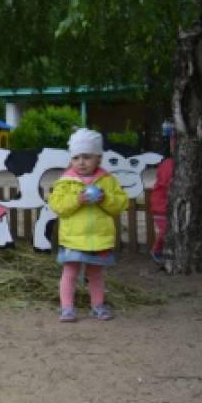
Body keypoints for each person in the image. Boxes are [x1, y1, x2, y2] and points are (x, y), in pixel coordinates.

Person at [47, 128, 129, 322]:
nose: (81, 162)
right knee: (70, 272)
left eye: (87, 157)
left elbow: (120, 204)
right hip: (73, 238)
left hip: (98, 239)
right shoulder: (66, 182)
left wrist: (105, 199)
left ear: (98, 158)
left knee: (96, 273)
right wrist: (77, 200)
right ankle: (67, 308)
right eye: (76, 158)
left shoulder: (108, 181)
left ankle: (98, 306)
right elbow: (57, 206)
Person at [149, 137, 175, 265]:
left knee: (172, 228)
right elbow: (166, 182)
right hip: (161, 205)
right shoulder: (168, 163)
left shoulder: (178, 163)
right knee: (166, 230)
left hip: (169, 204)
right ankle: (157, 250)